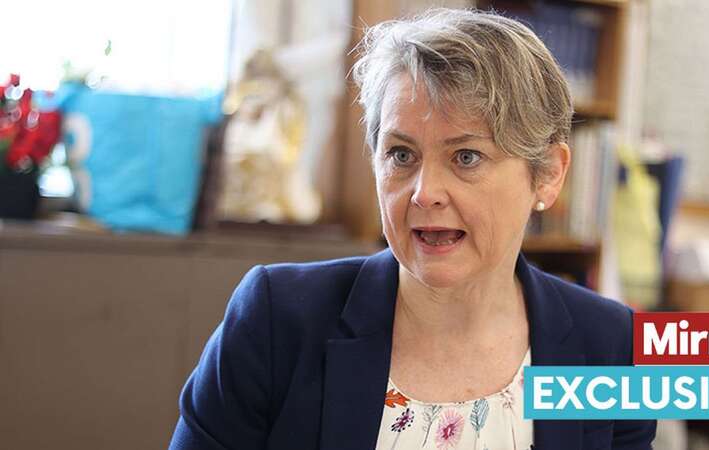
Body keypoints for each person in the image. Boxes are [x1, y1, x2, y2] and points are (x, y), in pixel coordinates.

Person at [168, 8, 656, 450]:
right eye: (401, 155)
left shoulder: (609, 345)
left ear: (548, 174)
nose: (425, 193)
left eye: (467, 157)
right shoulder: (277, 318)